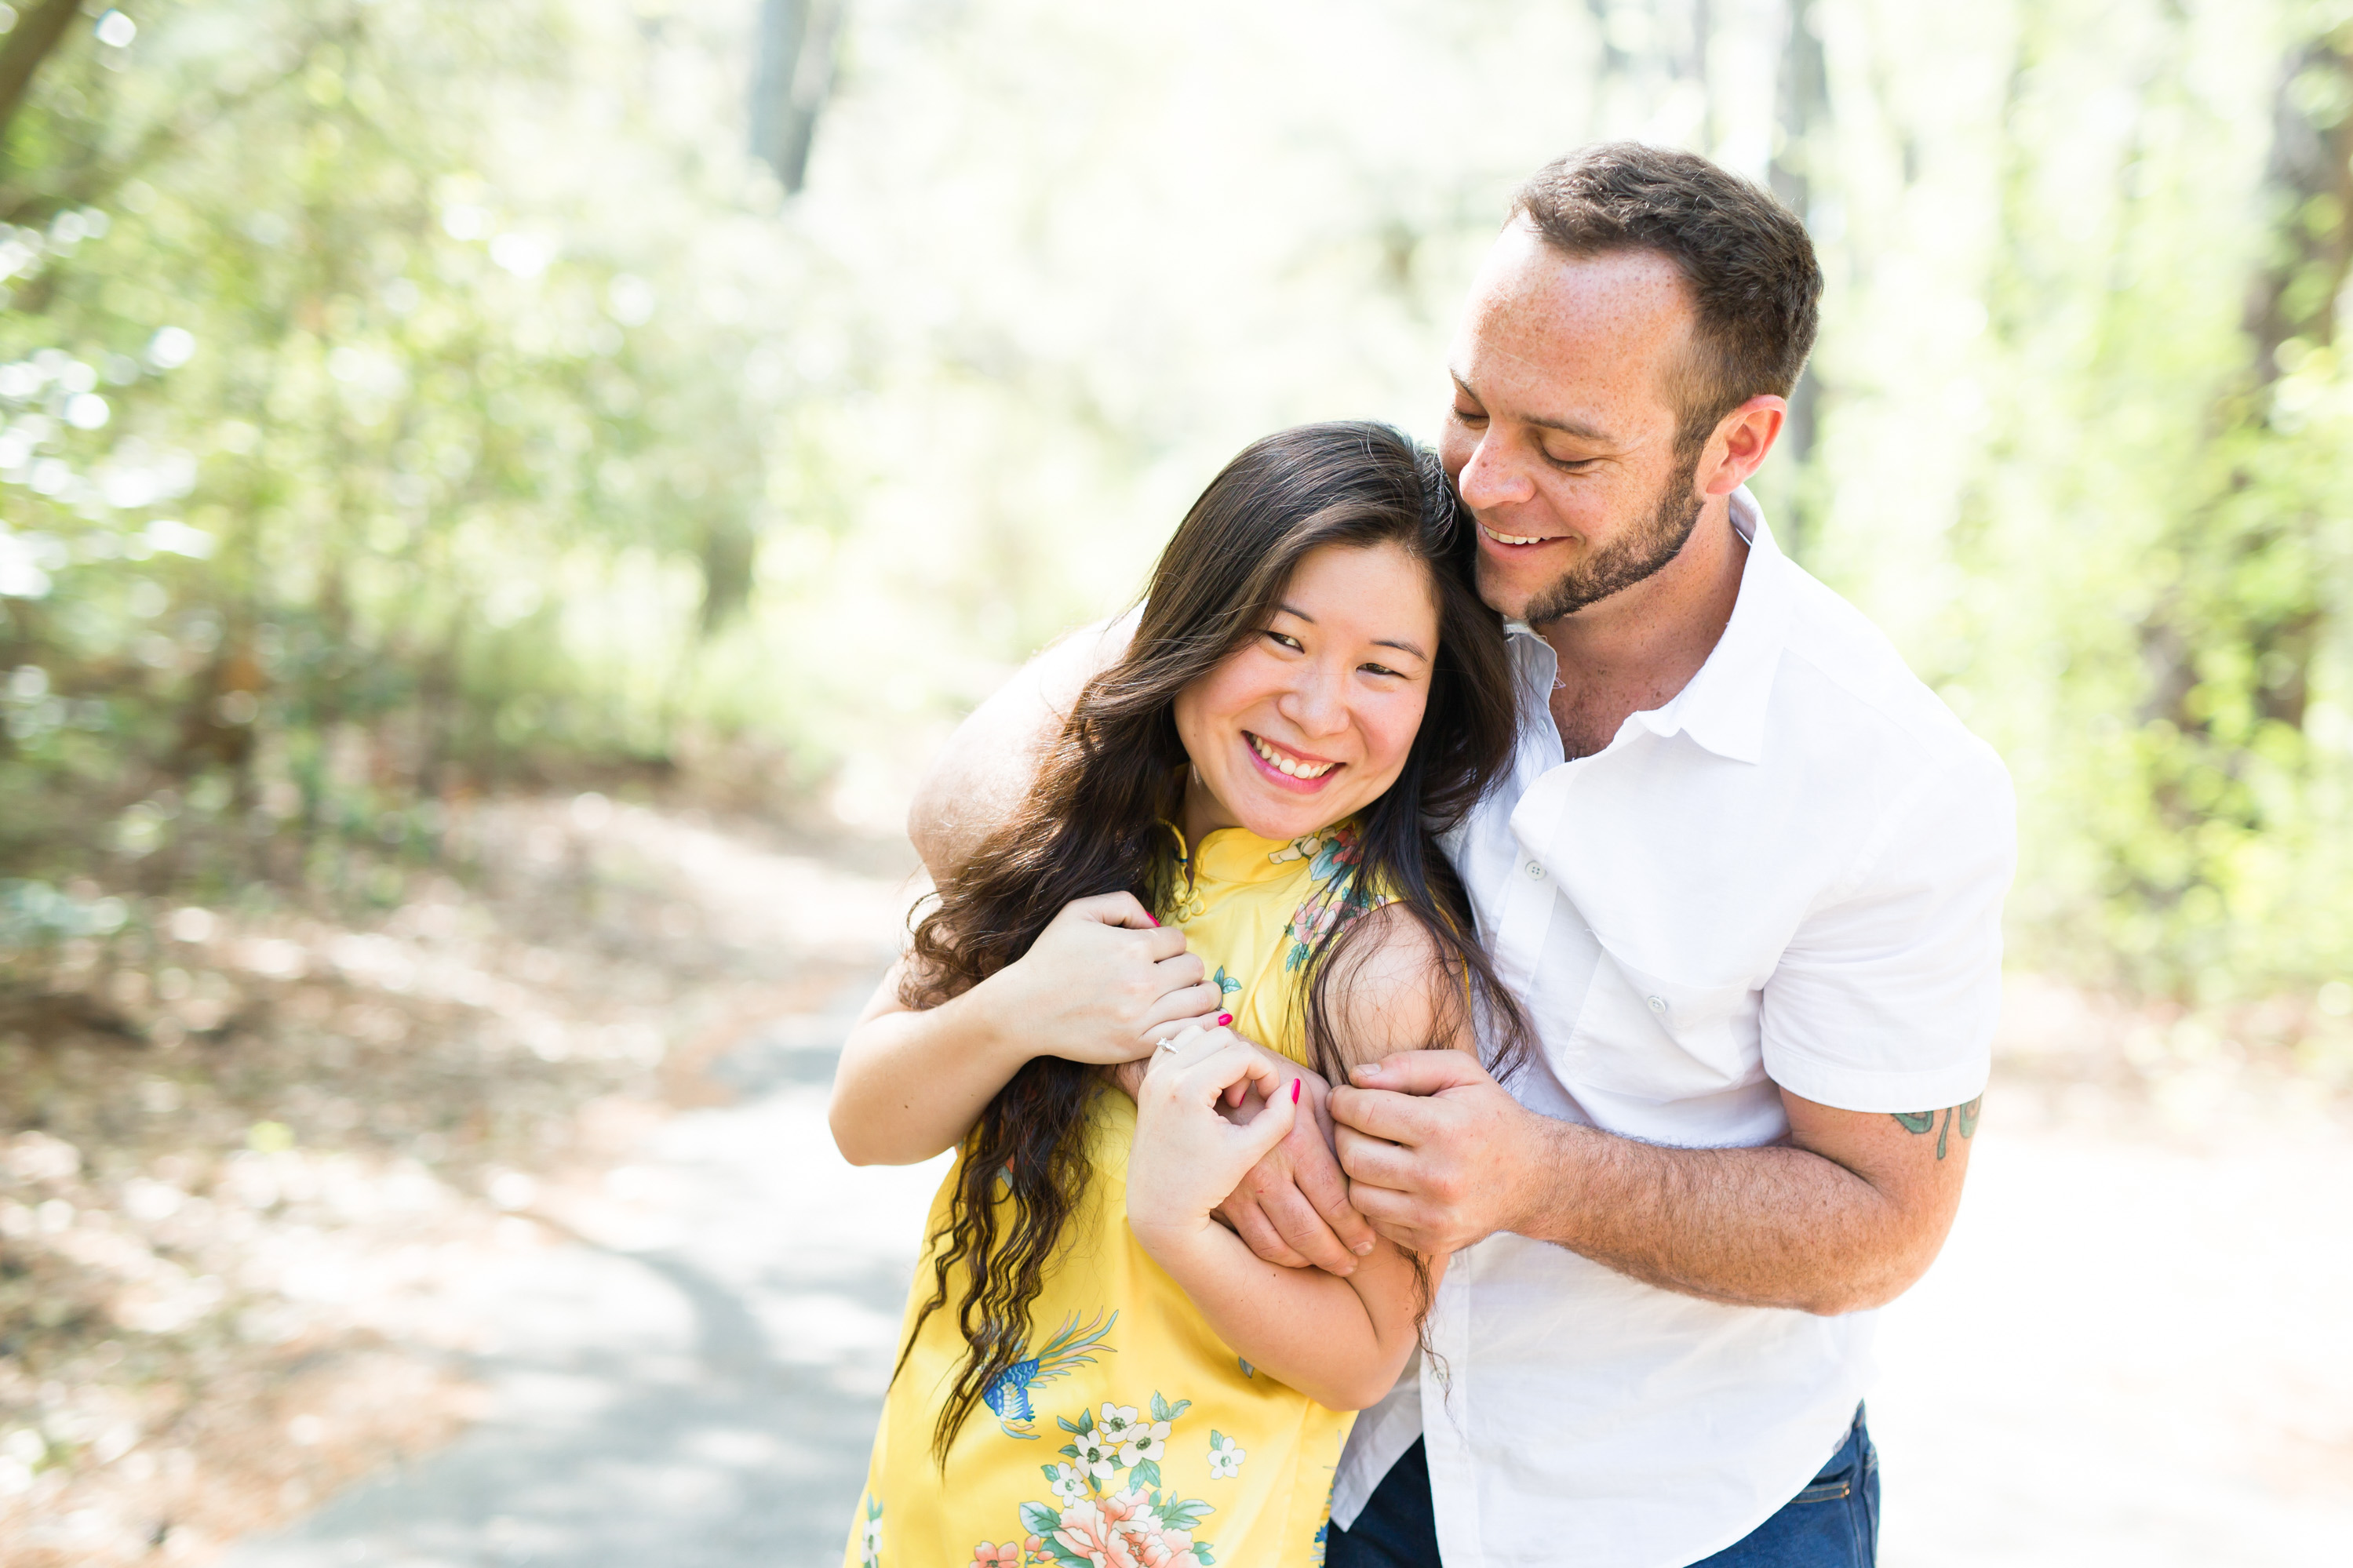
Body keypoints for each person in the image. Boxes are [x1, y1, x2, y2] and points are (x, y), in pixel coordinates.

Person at [905, 144, 2017, 1568]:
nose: (1489, 482)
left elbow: (1882, 1227)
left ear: (1737, 444)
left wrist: (1533, 1178)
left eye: (1565, 448)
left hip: (1690, 1513)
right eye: (1468, 407)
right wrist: (1173, 1049)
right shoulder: (1389, 572)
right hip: (1332, 1472)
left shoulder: (1893, 783)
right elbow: (972, 801)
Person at [830, 422, 1531, 1566]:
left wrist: (1180, 1228)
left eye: (1380, 669)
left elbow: (1364, 1353)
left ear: (1433, 693)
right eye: (1278, 637)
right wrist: (1023, 1009)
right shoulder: (1063, 837)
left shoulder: (1381, 963)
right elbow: (864, 1120)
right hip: (924, 1518)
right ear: (1196, 628)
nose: (1316, 707)